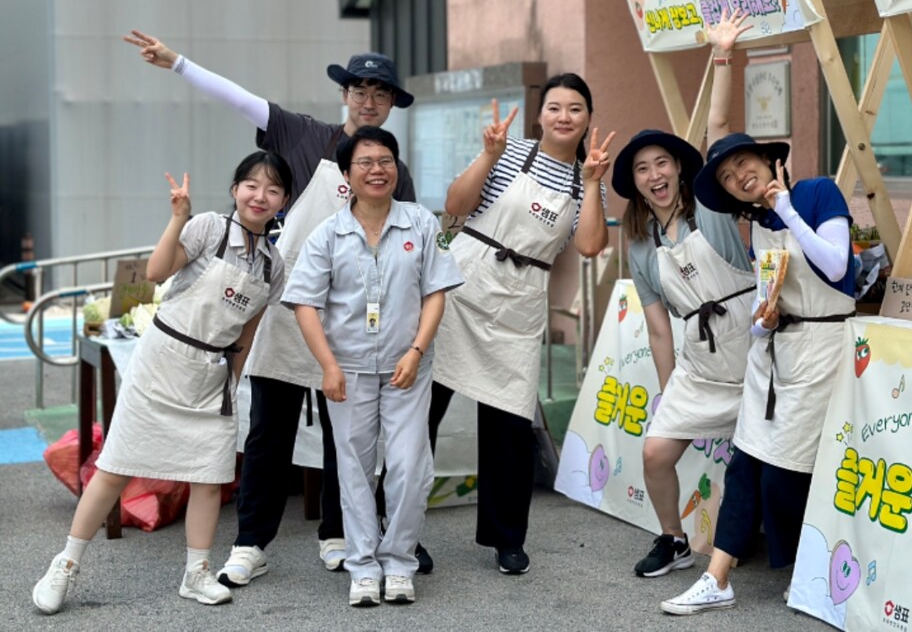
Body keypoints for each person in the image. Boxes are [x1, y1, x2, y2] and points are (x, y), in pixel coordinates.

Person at [121, 32, 431, 580]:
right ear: (346, 94)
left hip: (355, 323)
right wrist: (178, 64)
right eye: (359, 88)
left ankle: (338, 533)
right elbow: (239, 98)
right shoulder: (302, 134)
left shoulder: (393, 172)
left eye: (379, 93)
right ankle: (250, 542)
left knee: (349, 440)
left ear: (390, 105)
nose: (368, 100)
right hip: (286, 315)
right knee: (268, 433)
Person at [32, 152, 291, 614]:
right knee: (115, 467)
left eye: (273, 189)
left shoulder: (273, 264)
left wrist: (231, 383)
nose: (260, 196)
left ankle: (196, 573)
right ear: (236, 190)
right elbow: (156, 272)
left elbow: (247, 332)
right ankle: (65, 564)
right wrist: (177, 219)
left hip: (212, 375)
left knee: (209, 478)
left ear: (283, 201)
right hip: (163, 361)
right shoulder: (209, 227)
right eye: (252, 185)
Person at [659, 10, 857, 615]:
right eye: (726, 175)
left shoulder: (818, 192)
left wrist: (787, 209)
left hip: (822, 351)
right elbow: (773, 296)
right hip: (773, 353)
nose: (739, 176)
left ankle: (807, 571)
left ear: (770, 160)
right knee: (747, 462)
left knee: (784, 473)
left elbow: (836, 268)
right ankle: (718, 578)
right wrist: (762, 321)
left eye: (745, 164)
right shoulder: (755, 229)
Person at [431, 74, 613, 575]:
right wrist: (488, 155)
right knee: (422, 412)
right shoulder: (509, 152)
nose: (563, 116)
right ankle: (395, 527)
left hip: (521, 300)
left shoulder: (586, 176)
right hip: (466, 285)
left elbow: (591, 246)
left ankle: (506, 538)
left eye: (575, 108)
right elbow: (455, 204)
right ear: (540, 114)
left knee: (509, 427)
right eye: (555, 107)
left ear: (588, 118)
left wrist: (595, 183)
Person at [285, 126, 463, 606]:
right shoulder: (328, 233)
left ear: (397, 169)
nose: (376, 170)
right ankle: (363, 566)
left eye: (385, 160)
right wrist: (327, 364)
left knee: (410, 466)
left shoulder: (421, 223)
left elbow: (436, 293)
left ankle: (399, 561)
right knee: (355, 468)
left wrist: (416, 351)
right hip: (349, 370)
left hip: (408, 365)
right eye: (365, 162)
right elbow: (305, 303)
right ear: (347, 175)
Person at [614, 7, 756, 580]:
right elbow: (655, 326)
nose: (654, 174)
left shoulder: (713, 212)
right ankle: (673, 537)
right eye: (644, 168)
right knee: (655, 452)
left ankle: (783, 544)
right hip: (699, 365)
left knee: (767, 463)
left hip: (754, 353)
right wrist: (669, 390)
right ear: (638, 185)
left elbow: (718, 128)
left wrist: (722, 54)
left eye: (663, 162)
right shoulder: (640, 245)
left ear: (679, 168)